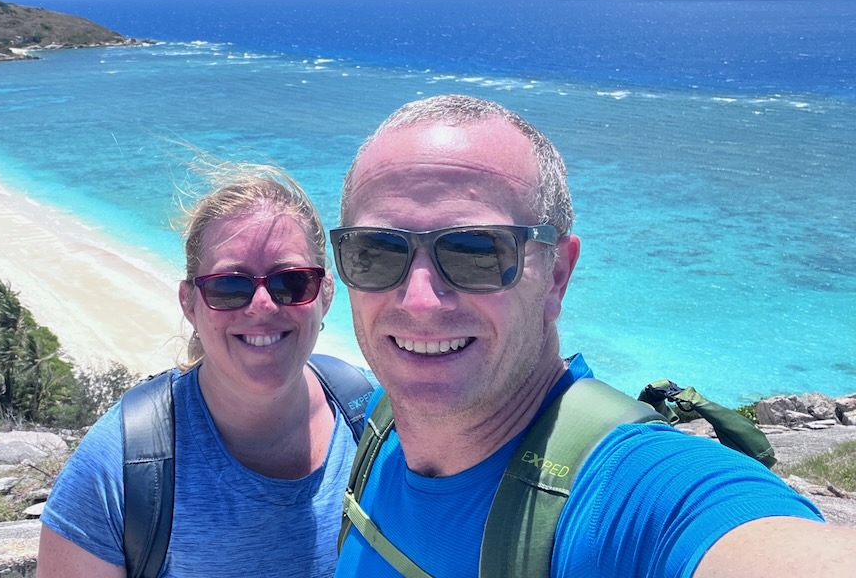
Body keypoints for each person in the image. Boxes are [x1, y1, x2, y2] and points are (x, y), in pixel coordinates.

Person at [330, 94, 856, 577]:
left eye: (477, 251)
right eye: (376, 250)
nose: (419, 299)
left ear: (557, 275)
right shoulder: (374, 429)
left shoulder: (630, 495)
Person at [38, 163, 374, 577]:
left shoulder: (373, 417)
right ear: (189, 303)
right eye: (229, 286)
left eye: (291, 282)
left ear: (325, 295)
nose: (263, 305)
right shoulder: (119, 467)